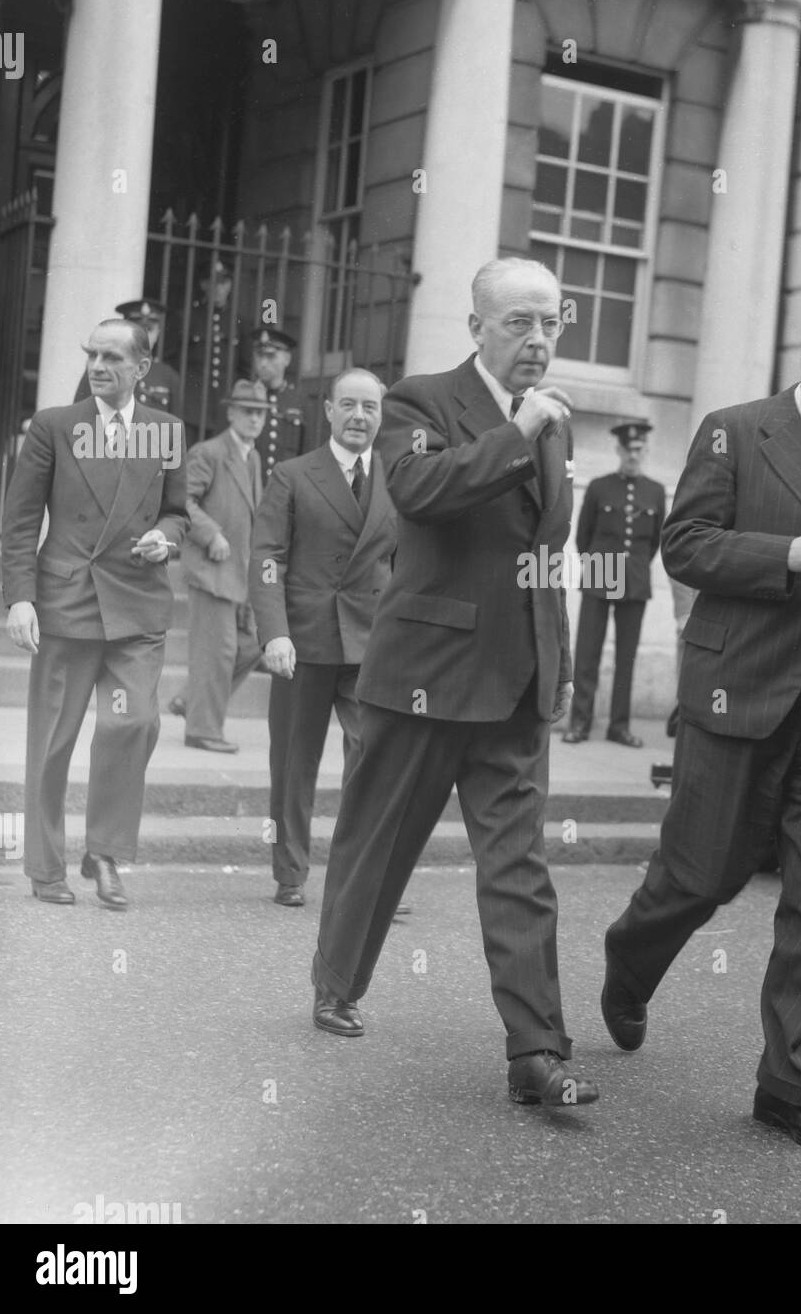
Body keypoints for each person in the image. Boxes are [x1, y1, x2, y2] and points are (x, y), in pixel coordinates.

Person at [600, 293, 801, 1155]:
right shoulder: (733, 430)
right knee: (701, 876)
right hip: (739, 693)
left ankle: (789, 1090)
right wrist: (785, 553)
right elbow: (685, 544)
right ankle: (628, 963)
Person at [310, 257, 599, 1109]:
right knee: (381, 837)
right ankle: (337, 981)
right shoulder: (418, 402)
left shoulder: (556, 424)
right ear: (476, 328)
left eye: (551, 321)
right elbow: (420, 490)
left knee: (519, 864)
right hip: (427, 675)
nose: (538, 339)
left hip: (516, 684)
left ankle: (535, 1050)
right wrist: (516, 435)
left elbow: (548, 556)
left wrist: (562, 667)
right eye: (518, 322)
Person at [1, 319, 189, 908]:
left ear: (143, 367)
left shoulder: (166, 431)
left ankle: (104, 852)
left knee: (132, 723)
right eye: (92, 355)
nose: (99, 365)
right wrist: (21, 597)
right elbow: (22, 518)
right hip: (68, 602)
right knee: (52, 742)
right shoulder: (56, 427)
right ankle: (45, 864)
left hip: (136, 603)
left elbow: (178, 511)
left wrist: (165, 536)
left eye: (112, 356)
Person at [249, 369, 397, 909]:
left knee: (375, 758)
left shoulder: (396, 476)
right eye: (349, 405)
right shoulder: (292, 474)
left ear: (382, 415)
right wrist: (275, 632)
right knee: (293, 761)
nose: (360, 416)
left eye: (371, 407)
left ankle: (368, 875)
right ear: (329, 412)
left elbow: (403, 564)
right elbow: (267, 557)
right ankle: (290, 871)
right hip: (304, 642)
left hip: (372, 643)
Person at [174, 380, 269, 754]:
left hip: (239, 573)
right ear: (231, 413)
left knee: (252, 646)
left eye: (259, 412)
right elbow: (181, 499)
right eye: (246, 410)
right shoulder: (209, 452)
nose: (253, 418)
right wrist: (210, 534)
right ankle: (202, 730)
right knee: (219, 652)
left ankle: (189, 700)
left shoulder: (253, 456)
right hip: (212, 571)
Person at [563, 421, 666, 748]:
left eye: (639, 450)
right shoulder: (598, 487)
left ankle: (619, 727)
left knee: (627, 657)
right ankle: (579, 722)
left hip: (635, 579)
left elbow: (655, 542)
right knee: (588, 653)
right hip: (599, 571)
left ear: (645, 451)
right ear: (618, 451)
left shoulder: (655, 491)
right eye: (628, 450)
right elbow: (582, 535)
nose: (633, 455)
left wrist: (632, 568)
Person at [178, 259, 251, 445]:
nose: (219, 288)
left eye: (223, 282)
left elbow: (245, 368)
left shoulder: (239, 323)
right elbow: (174, 362)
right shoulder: (187, 317)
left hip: (224, 407)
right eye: (213, 282)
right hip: (192, 407)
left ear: (230, 285)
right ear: (203, 285)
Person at [73, 299, 180, 411]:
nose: (144, 335)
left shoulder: (169, 377)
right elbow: (79, 415)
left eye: (149, 329)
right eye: (137, 330)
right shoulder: (101, 369)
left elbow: (173, 425)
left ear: (158, 332)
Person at [251, 327, 312, 482]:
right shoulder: (245, 396)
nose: (263, 363)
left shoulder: (299, 401)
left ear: (287, 359)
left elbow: (308, 455)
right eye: (259, 356)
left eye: (271, 356)